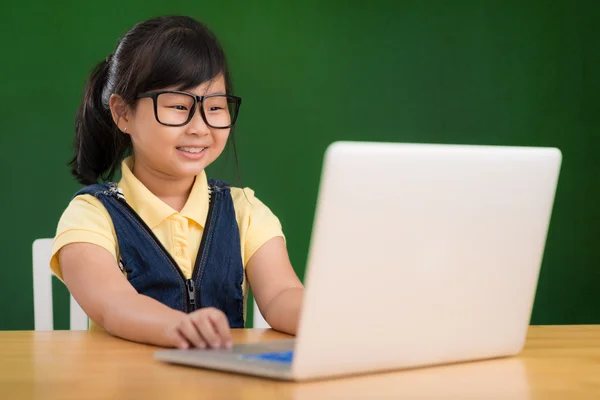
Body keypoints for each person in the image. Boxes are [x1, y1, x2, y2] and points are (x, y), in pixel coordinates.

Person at [50, 15, 304, 350]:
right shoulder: (91, 216)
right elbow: (114, 304)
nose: (200, 127)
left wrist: (332, 316)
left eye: (214, 107)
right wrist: (180, 327)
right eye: (178, 106)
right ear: (123, 114)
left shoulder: (244, 211)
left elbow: (282, 294)